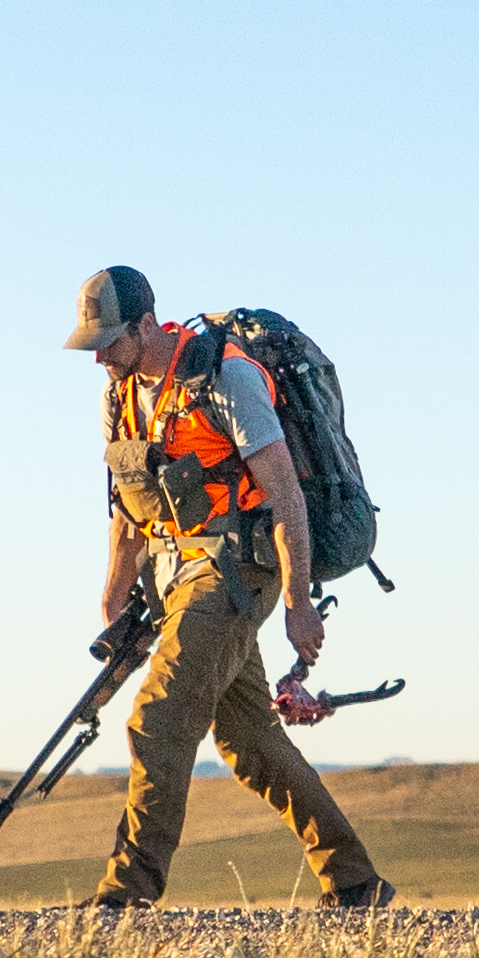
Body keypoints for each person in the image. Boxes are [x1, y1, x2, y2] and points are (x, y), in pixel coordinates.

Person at [61, 265, 397, 911]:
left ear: (145, 324)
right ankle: (355, 881)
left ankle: (125, 895)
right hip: (172, 569)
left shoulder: (226, 375)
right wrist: (113, 604)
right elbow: (128, 507)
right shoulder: (119, 393)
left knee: (159, 721)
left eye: (108, 340)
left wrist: (298, 603)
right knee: (249, 742)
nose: (98, 355)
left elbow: (285, 495)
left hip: (236, 568)